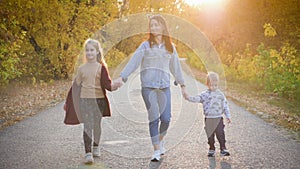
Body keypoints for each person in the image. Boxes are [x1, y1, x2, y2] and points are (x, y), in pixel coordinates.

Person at [115, 14, 186, 162]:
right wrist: (122, 77)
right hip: (148, 88)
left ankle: (160, 140)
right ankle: (156, 150)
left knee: (166, 119)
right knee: (154, 118)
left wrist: (183, 85)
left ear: (163, 27)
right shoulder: (145, 46)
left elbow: (176, 67)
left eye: (156, 25)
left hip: (164, 87)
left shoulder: (170, 47)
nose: (153, 27)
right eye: (151, 25)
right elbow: (133, 62)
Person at [64, 39, 120, 164]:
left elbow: (107, 85)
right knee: (87, 126)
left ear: (97, 52)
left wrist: (115, 85)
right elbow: (75, 87)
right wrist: (68, 102)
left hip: (99, 101)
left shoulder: (101, 68)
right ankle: (88, 153)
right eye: (87, 50)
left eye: (92, 50)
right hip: (85, 101)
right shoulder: (82, 69)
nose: (89, 53)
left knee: (96, 125)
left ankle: (96, 146)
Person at [184, 71, 231, 157]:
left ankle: (223, 148)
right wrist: (188, 97)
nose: (213, 87)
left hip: (218, 118)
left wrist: (228, 116)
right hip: (209, 118)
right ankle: (212, 148)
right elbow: (196, 99)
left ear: (218, 84)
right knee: (210, 134)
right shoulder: (204, 94)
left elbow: (225, 105)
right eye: (211, 85)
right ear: (207, 84)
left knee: (220, 133)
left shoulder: (220, 95)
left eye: (215, 85)